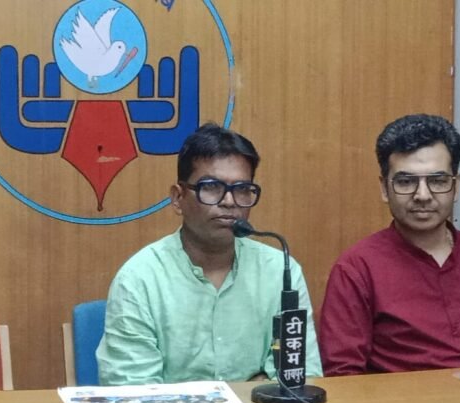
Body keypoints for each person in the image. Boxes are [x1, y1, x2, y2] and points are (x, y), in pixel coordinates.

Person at [96, 123, 322, 385]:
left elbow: (300, 380)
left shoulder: (280, 272)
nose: (229, 201)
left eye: (242, 189)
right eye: (212, 187)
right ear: (178, 198)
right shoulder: (139, 279)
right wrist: (251, 388)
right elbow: (133, 394)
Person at [319, 114, 460, 376]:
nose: (423, 195)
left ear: (456, 186)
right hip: (400, 401)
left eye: (437, 181)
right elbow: (343, 375)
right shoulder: (357, 268)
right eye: (406, 182)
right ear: (385, 189)